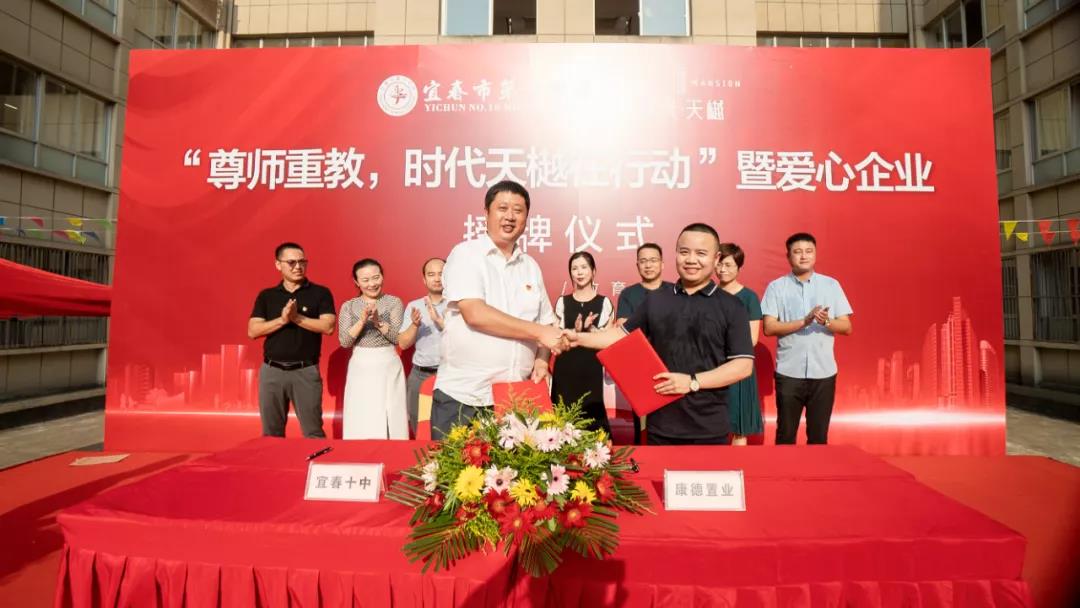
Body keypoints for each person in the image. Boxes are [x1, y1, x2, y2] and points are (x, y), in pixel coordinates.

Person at [567, 223, 754, 445]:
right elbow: (621, 335)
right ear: (675, 254)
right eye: (684, 252)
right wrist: (579, 337)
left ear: (716, 258)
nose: (691, 260)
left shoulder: (732, 306)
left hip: (710, 427)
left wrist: (692, 382)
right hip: (661, 425)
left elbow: (743, 365)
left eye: (701, 253)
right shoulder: (656, 300)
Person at [432, 180, 566, 439]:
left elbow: (546, 322)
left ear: (527, 218)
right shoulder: (466, 254)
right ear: (486, 213)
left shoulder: (530, 266)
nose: (510, 216)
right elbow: (475, 314)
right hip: (465, 398)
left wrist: (541, 358)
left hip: (516, 399)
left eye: (518, 210)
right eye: (502, 208)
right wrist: (539, 333)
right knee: (457, 467)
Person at [761, 232, 853, 445]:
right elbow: (769, 327)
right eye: (797, 252)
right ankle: (785, 468)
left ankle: (816, 468)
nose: (804, 256)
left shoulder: (831, 285)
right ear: (788, 256)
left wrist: (825, 321)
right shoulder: (776, 287)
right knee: (785, 435)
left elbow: (847, 327)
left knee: (819, 437)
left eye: (809, 251)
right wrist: (804, 321)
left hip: (824, 373)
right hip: (789, 373)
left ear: (815, 254)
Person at [247, 242, 335, 438]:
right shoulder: (267, 296)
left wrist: (296, 318)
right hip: (272, 372)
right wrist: (282, 320)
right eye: (291, 262)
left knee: (313, 433)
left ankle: (314, 460)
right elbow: (253, 331)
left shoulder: (320, 293)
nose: (298, 267)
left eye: (302, 262)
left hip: (305, 371)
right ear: (278, 264)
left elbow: (328, 326)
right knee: (271, 434)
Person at [338, 258, 407, 439]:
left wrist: (377, 321)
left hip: (388, 363)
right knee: (362, 413)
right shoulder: (349, 306)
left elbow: (397, 338)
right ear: (356, 282)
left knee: (391, 413)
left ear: (382, 276)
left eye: (376, 278)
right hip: (361, 365)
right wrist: (362, 320)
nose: (372, 284)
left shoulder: (393, 302)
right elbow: (345, 341)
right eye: (365, 280)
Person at [551, 252, 614, 435]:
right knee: (561, 420)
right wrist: (576, 330)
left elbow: (608, 340)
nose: (579, 272)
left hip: (591, 369)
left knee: (592, 420)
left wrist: (589, 329)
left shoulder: (604, 303)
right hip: (565, 368)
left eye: (584, 267)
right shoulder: (562, 302)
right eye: (574, 268)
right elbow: (557, 337)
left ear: (593, 271)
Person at [616, 242, 673, 443]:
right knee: (642, 426)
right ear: (637, 265)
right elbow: (624, 329)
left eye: (653, 260)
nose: (648, 265)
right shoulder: (629, 294)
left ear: (662, 263)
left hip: (672, 365)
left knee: (671, 422)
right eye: (643, 261)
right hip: (641, 367)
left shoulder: (675, 291)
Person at [716, 242, 763, 445]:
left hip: (738, 365)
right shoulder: (708, 294)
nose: (722, 269)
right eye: (719, 264)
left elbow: (753, 339)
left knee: (738, 428)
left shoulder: (749, 297)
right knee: (712, 423)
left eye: (728, 265)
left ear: (739, 267)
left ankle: (737, 464)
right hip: (711, 365)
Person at [397, 258, 447, 437]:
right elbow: (403, 343)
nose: (437, 278)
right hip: (421, 375)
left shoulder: (459, 304)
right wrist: (415, 325)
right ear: (424, 279)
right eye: (431, 274)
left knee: (451, 427)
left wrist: (440, 322)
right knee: (419, 425)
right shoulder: (415, 306)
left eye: (441, 274)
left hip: (450, 374)